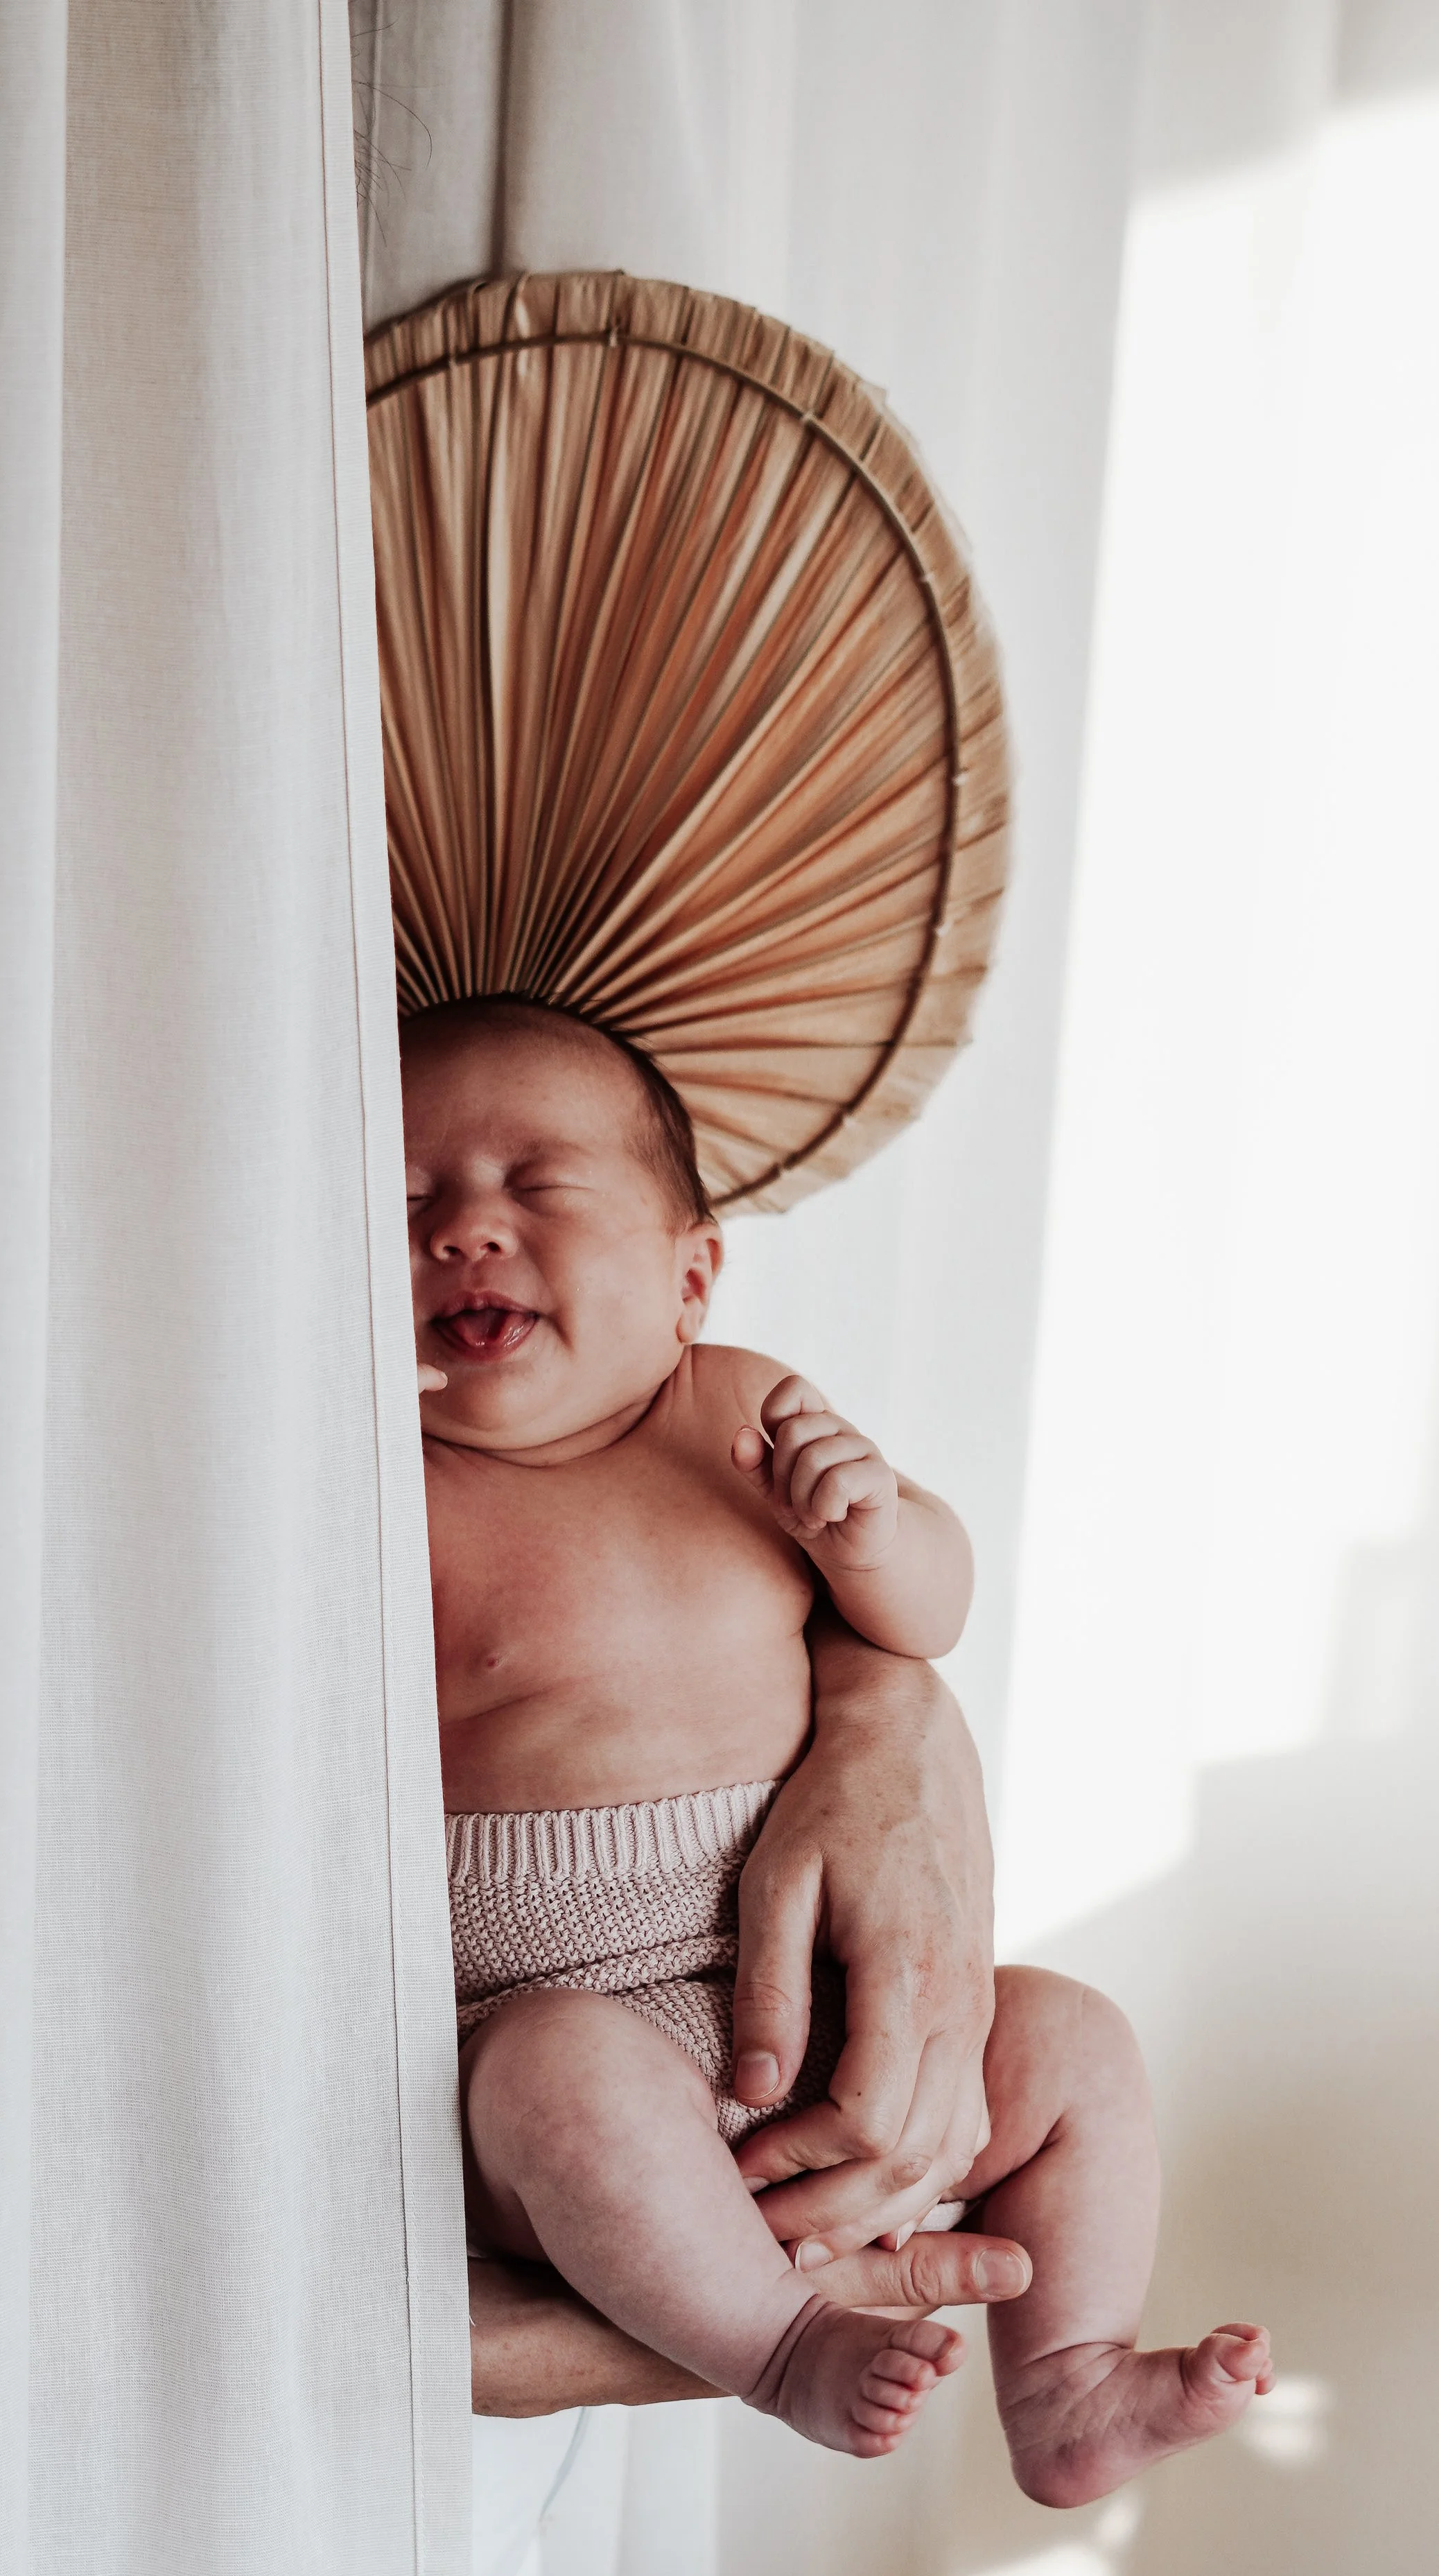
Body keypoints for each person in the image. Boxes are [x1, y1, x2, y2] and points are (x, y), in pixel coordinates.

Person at [412, 998, 1271, 2498]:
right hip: (569, 2025)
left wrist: (874, 1527)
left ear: (692, 1273)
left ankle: (1065, 2381)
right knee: (548, 2079)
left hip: (836, 2005)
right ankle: (773, 2344)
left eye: (536, 1185)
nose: (465, 1229)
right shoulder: (389, 1478)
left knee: (1070, 2035)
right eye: (410, 1200)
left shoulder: (735, 1415)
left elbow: (927, 1611)